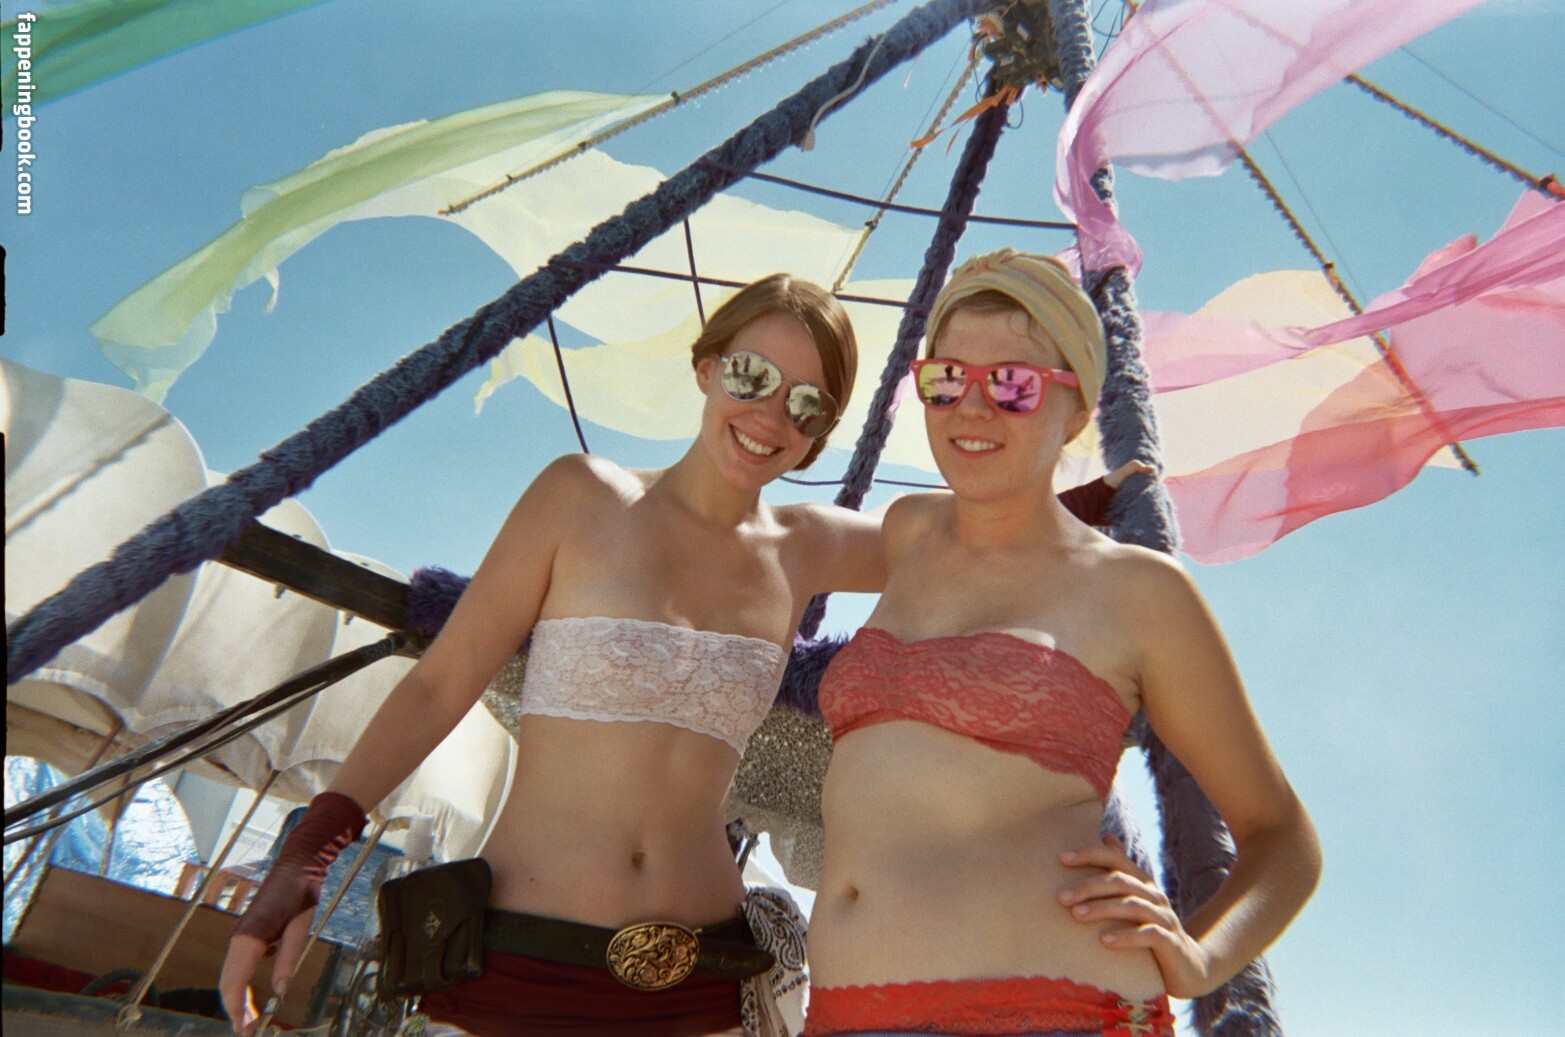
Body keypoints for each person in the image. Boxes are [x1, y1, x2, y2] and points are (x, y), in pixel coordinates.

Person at [219, 272, 1134, 1037]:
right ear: (706, 366)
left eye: (806, 403)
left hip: (700, 985)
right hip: (518, 963)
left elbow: (976, 528)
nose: (770, 414)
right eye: (751, 375)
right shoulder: (581, 496)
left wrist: (1104, 495)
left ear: (819, 431)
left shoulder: (807, 546)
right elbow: (439, 684)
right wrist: (308, 849)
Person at [803, 250, 1322, 1037]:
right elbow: (759, 543)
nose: (972, 409)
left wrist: (1200, 957)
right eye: (947, 379)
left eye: (1012, 385)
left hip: (1050, 1012)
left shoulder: (1137, 592)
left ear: (1076, 406)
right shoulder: (909, 531)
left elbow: (1283, 838)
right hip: (844, 1014)